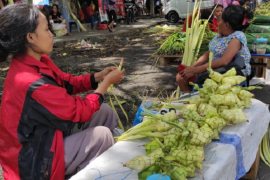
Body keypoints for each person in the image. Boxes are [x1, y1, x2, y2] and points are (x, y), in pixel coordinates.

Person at [0, 4, 125, 180]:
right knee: (102, 136)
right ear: (30, 37)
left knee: (105, 112)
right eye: (46, 29)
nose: (52, 33)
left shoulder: (37, 61)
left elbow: (67, 82)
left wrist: (99, 76)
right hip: (33, 162)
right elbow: (79, 112)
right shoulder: (30, 82)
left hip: (47, 136)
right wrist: (106, 83)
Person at [176, 5, 252, 93]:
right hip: (215, 69)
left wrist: (196, 70)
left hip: (230, 71)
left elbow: (225, 61)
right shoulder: (220, 36)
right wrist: (192, 67)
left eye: (220, 20)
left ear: (226, 25)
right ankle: (190, 101)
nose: (217, 22)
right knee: (180, 77)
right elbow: (209, 53)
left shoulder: (237, 37)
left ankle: (194, 102)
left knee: (186, 78)